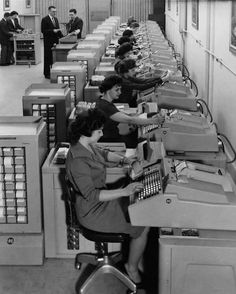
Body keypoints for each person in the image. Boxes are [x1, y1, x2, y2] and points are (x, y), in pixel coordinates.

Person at [66, 107, 149, 286]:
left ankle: (136, 258)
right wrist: (125, 191)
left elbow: (103, 153)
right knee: (144, 222)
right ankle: (132, 267)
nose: (102, 133)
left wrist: (126, 160)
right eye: (99, 131)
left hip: (98, 203)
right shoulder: (78, 160)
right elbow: (92, 195)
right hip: (93, 211)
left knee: (141, 206)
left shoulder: (86, 145)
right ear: (87, 132)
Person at [95, 74, 165, 147]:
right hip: (110, 139)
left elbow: (122, 115)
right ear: (108, 90)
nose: (120, 92)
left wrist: (142, 116)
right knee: (138, 142)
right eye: (117, 90)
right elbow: (129, 120)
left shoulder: (103, 101)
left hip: (112, 135)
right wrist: (154, 121)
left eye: (120, 89)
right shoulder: (105, 106)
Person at [41, 6, 63, 79]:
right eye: (53, 11)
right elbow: (43, 31)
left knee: (54, 57)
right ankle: (46, 73)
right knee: (47, 57)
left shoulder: (56, 19)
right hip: (48, 42)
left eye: (55, 11)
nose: (54, 13)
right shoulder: (44, 19)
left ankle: (54, 72)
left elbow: (58, 30)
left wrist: (63, 37)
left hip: (55, 41)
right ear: (49, 11)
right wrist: (52, 31)